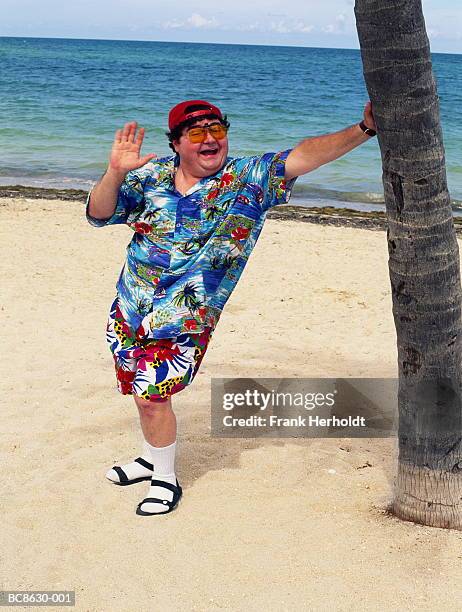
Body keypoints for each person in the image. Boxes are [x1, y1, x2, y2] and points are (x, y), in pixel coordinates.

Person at [87, 99, 377, 516]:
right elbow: (99, 213)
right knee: (140, 392)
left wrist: (364, 129)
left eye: (216, 130)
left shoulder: (246, 179)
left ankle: (165, 479)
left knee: (154, 397)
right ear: (176, 144)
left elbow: (304, 155)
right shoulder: (148, 178)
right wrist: (114, 172)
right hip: (130, 305)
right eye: (197, 133)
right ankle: (151, 458)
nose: (210, 139)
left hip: (184, 318)